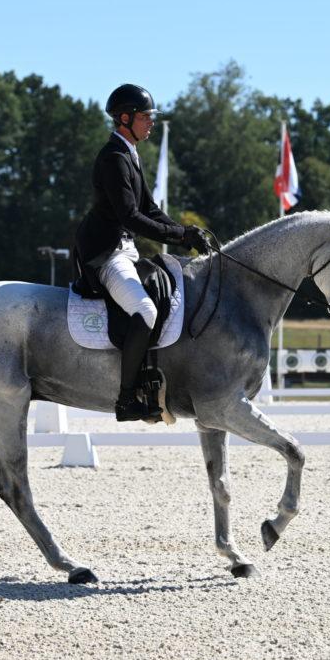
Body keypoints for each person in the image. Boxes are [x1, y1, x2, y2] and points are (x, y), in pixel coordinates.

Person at [75, 83, 210, 422]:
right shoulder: (113, 158)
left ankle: (153, 381)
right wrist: (179, 236)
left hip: (127, 252)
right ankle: (125, 399)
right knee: (146, 311)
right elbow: (131, 217)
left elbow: (150, 208)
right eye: (145, 116)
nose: (150, 122)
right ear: (125, 118)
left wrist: (186, 232)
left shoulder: (130, 155)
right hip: (105, 255)